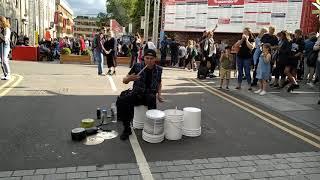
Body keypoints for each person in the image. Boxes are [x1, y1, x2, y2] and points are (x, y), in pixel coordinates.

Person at [116, 49, 164, 140]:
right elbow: (124, 81)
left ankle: (152, 130)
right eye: (147, 58)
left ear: (155, 59)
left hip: (150, 95)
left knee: (152, 107)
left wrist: (159, 95)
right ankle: (127, 129)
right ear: (143, 58)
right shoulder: (137, 66)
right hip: (137, 93)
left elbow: (159, 83)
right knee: (122, 101)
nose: (149, 61)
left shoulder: (159, 69)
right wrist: (130, 79)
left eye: (151, 58)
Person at [0, 16, 12, 80]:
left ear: (2, 22)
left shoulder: (7, 29)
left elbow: (5, 39)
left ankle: (8, 74)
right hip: (1, 45)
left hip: (6, 45)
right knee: (1, 60)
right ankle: (5, 74)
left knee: (4, 59)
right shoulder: (1, 28)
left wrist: (0, 34)